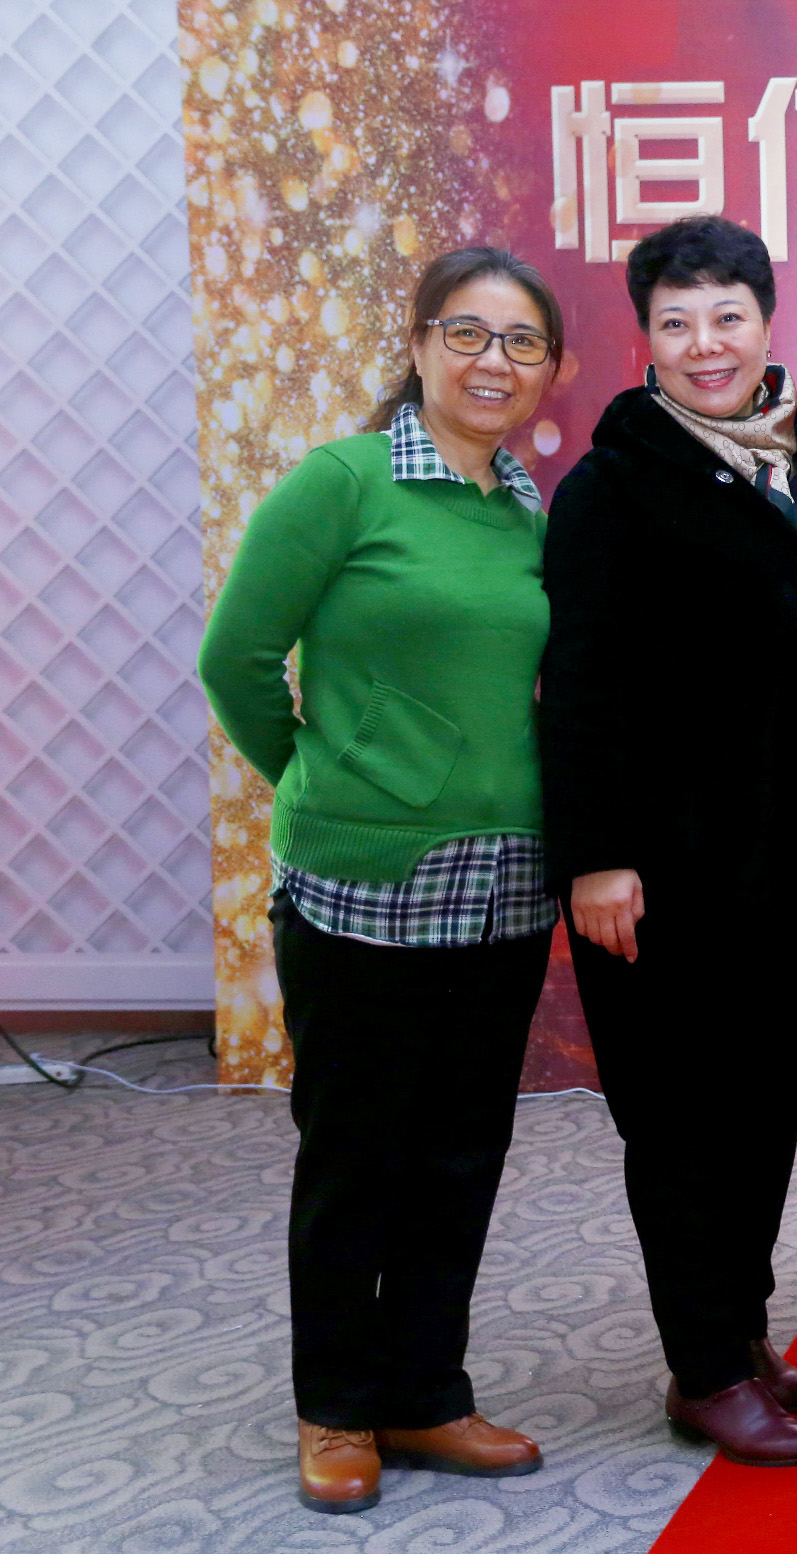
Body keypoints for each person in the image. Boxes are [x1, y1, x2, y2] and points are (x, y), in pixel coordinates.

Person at [198, 247, 566, 1513]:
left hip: (506, 881)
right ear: (417, 346)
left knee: (462, 1155)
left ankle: (425, 1393)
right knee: (355, 1155)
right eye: (467, 333)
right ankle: (336, 1408)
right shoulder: (343, 482)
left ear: (547, 371)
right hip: (361, 887)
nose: (493, 362)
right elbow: (236, 658)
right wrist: (327, 776)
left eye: (521, 343)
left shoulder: (527, 509)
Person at [539, 214, 797, 1468]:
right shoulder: (611, 487)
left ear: (766, 322)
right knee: (687, 1120)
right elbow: (577, 684)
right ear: (644, 338)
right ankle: (702, 1372)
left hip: (796, 855)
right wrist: (596, 854)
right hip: (667, 868)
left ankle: (741, 1331)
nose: (706, 345)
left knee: (764, 1104)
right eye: (676, 323)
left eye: (727, 317)